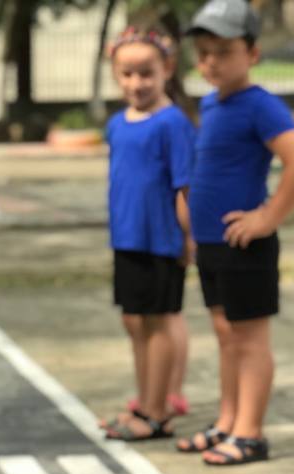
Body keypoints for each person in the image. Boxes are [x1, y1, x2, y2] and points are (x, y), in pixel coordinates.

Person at [178, 0, 294, 464]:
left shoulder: (261, 105)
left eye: (224, 51)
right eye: (204, 53)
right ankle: (227, 421)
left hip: (245, 243)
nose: (211, 62)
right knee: (226, 336)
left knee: (250, 339)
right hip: (212, 244)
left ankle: (250, 433)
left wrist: (267, 218)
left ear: (252, 53)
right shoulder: (211, 104)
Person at [99, 25, 197, 442]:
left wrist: (188, 238)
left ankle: (158, 412)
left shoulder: (172, 123)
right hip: (128, 238)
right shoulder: (117, 124)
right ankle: (144, 402)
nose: (136, 83)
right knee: (134, 321)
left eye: (146, 73)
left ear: (166, 70)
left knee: (158, 322)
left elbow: (185, 187)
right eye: (127, 74)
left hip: (161, 240)